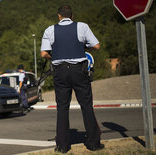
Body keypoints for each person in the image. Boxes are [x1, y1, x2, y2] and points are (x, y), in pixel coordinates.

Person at [40, 5, 103, 153]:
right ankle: (93, 143)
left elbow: (43, 54)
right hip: (79, 71)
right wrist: (83, 47)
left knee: (62, 108)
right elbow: (97, 46)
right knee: (86, 106)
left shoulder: (50, 30)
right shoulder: (82, 26)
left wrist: (54, 55)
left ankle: (62, 146)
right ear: (71, 16)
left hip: (60, 72)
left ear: (59, 16)